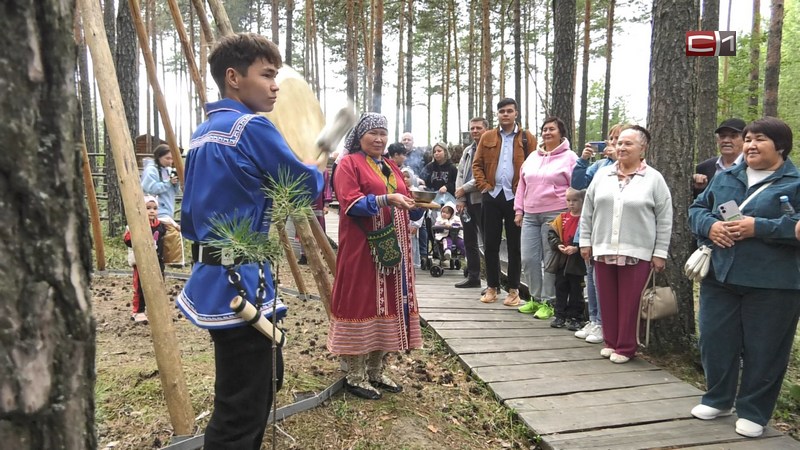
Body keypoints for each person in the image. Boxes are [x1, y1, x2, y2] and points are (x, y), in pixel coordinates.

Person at [177, 33, 324, 449]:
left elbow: (190, 217)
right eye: (267, 75)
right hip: (242, 281)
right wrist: (314, 167)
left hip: (215, 274)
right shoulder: (250, 126)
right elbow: (299, 189)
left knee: (257, 385)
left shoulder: (204, 132)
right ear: (233, 78)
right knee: (242, 410)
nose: (276, 85)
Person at [687, 117, 800, 438]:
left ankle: (753, 410)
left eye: (759, 139)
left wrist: (758, 227)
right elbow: (697, 208)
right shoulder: (727, 177)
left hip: (774, 283)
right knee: (714, 340)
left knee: (765, 348)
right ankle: (718, 398)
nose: (750, 145)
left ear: (780, 146)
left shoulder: (794, 182)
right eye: (747, 139)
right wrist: (710, 226)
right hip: (720, 276)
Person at [328, 112, 422, 401]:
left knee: (390, 302)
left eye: (383, 133)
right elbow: (350, 203)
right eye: (373, 133)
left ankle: (376, 370)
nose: (380, 138)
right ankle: (354, 374)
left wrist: (417, 205)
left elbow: (403, 197)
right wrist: (385, 199)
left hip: (393, 248)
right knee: (361, 301)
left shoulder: (390, 166)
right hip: (362, 247)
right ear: (360, 136)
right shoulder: (348, 164)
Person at [579, 125, 673, 365]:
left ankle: (626, 346)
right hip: (603, 247)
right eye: (619, 143)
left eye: (628, 144)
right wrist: (585, 241)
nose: (621, 147)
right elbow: (587, 211)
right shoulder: (603, 175)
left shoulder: (654, 179)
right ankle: (610, 341)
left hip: (638, 251)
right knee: (606, 298)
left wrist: (660, 252)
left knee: (630, 302)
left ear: (643, 149)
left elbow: (664, 218)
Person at [472, 98, 537, 306]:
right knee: (490, 243)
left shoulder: (527, 138)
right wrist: (484, 187)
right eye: (502, 111)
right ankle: (492, 287)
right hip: (492, 196)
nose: (505, 114)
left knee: (514, 245)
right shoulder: (488, 136)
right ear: (497, 115)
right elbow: (477, 164)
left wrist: (525, 193)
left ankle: (514, 290)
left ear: (516, 113)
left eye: (509, 111)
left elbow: (534, 166)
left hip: (516, 198)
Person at [514, 116, 578, 316]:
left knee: (550, 260)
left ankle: (549, 302)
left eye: (552, 129)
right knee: (528, 258)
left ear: (561, 133)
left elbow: (575, 189)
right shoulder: (533, 156)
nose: (547, 133)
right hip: (531, 214)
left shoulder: (570, 158)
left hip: (555, 214)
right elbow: (521, 185)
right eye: (544, 129)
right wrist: (519, 210)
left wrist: (571, 215)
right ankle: (534, 298)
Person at [571, 123, 628, 344]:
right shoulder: (601, 166)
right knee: (591, 276)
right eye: (611, 139)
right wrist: (583, 161)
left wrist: (617, 160)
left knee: (600, 278)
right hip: (592, 228)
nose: (613, 143)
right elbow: (577, 184)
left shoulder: (635, 169)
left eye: (619, 140)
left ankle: (605, 322)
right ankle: (594, 319)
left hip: (613, 232)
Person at [545, 188, 587, 330]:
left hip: (577, 262)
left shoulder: (585, 219)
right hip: (562, 261)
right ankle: (559, 315)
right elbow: (552, 234)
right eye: (568, 200)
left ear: (583, 200)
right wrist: (558, 245)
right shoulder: (562, 218)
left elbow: (588, 236)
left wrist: (577, 247)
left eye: (575, 200)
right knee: (560, 288)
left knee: (576, 290)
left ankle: (576, 317)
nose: (571, 204)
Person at [454, 117, 489, 288]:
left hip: (482, 200)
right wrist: (460, 198)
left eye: (478, 128)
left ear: (486, 129)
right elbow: (460, 174)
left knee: (489, 241)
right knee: (469, 239)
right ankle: (474, 276)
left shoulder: (490, 148)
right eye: (472, 128)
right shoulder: (468, 150)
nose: (475, 131)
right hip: (466, 202)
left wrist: (464, 189)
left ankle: (492, 282)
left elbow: (485, 175)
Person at [123, 195, 165, 324]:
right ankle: (138, 311)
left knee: (159, 284)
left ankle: (157, 310)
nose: (152, 211)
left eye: (154, 208)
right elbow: (128, 240)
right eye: (148, 208)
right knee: (140, 287)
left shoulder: (161, 226)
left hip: (158, 260)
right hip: (142, 261)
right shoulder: (135, 225)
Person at [141, 144, 184, 265]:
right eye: (167, 158)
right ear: (159, 157)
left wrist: (175, 183)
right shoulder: (151, 170)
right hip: (155, 211)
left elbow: (173, 191)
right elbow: (150, 188)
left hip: (167, 209)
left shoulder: (168, 170)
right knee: (169, 234)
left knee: (162, 239)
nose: (170, 161)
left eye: (172, 158)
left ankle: (163, 260)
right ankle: (170, 260)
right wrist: (168, 183)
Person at [692, 118, 746, 198]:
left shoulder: (750, 166)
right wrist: (698, 188)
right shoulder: (704, 168)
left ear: (745, 140)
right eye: (722, 136)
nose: (726, 140)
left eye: (733, 136)